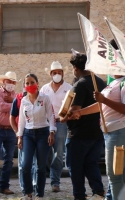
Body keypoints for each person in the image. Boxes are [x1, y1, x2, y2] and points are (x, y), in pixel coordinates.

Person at [68, 42, 125, 200]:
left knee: (115, 176)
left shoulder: (123, 82)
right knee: (117, 176)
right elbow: (100, 105)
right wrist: (80, 112)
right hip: (109, 134)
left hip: (119, 133)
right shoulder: (112, 82)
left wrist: (104, 101)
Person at [61, 53, 106, 200]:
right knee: (91, 164)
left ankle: (79, 196)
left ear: (75, 68)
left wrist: (64, 116)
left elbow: (75, 111)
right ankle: (98, 192)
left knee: (75, 168)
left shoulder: (80, 84)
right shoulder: (101, 82)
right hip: (97, 134)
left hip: (78, 135)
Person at [17, 73, 56, 199]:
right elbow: (22, 120)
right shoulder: (24, 100)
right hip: (28, 134)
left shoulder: (45, 98)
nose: (30, 85)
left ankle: (39, 194)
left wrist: (51, 132)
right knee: (25, 165)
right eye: (27, 83)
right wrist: (20, 137)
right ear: (24, 85)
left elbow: (51, 116)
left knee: (41, 166)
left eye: (32, 82)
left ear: (37, 83)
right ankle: (28, 193)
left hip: (43, 133)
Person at [40, 61, 72, 192]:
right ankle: (45, 177)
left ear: (63, 73)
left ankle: (55, 181)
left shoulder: (69, 88)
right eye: (54, 73)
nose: (57, 74)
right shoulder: (44, 89)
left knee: (59, 153)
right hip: (46, 123)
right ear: (50, 74)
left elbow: (71, 106)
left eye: (59, 72)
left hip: (61, 123)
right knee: (45, 152)